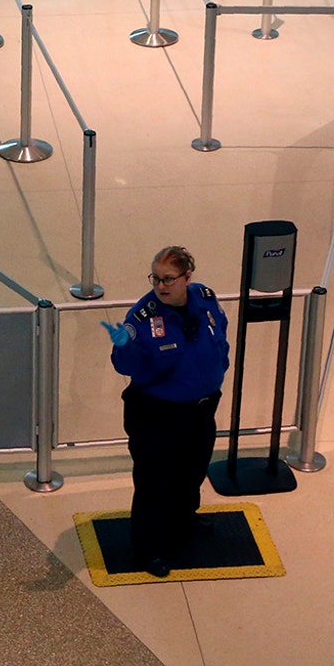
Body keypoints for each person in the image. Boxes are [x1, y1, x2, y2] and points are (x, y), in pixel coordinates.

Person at [101, 246, 231, 579]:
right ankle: (149, 548)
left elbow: (222, 335)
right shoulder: (142, 318)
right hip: (157, 415)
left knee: (192, 471)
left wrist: (219, 368)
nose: (160, 285)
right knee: (154, 483)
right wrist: (124, 345)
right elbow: (125, 366)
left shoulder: (204, 298)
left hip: (201, 409)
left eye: (168, 279)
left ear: (187, 277)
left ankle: (185, 520)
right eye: (156, 278)